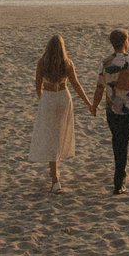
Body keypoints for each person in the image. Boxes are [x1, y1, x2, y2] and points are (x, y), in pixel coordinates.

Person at [27, 33, 94, 189]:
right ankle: (55, 173)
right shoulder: (67, 63)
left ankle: (55, 178)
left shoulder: (42, 63)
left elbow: (38, 87)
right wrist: (89, 103)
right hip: (64, 97)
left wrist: (43, 100)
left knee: (51, 136)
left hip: (49, 98)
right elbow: (76, 85)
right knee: (58, 135)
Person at [90, 27, 129, 195]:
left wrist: (94, 105)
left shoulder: (105, 63)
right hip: (128, 109)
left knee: (116, 141)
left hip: (112, 108)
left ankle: (119, 177)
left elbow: (99, 88)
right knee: (123, 142)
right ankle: (119, 180)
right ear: (126, 42)